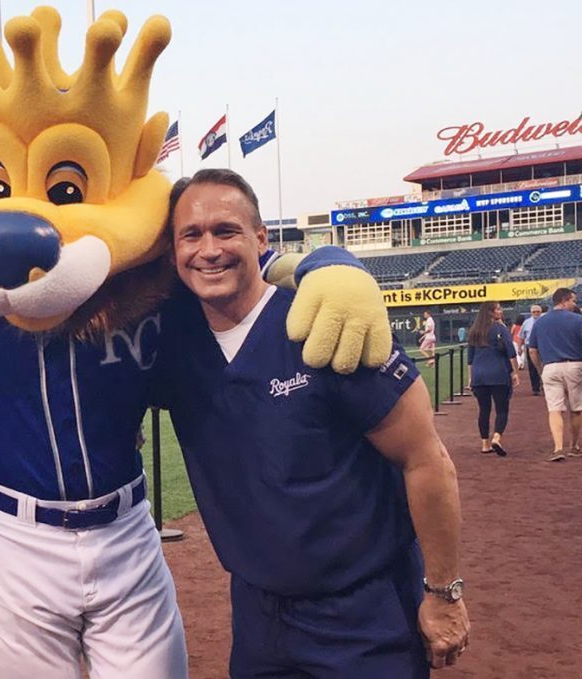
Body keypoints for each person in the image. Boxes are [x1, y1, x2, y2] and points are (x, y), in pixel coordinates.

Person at [156, 169, 469, 678]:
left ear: (262, 239)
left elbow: (427, 461)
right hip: (259, 618)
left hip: (362, 614)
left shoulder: (328, 319)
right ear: (172, 253)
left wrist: (444, 594)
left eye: (226, 231)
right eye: (190, 235)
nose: (208, 249)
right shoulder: (175, 342)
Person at [527, 288, 582, 462]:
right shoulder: (578, 320)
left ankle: (558, 448)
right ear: (564, 300)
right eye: (573, 301)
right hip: (574, 365)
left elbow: (532, 350)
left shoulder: (540, 322)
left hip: (550, 367)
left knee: (554, 409)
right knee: (577, 409)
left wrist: (540, 369)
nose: (575, 304)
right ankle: (573, 446)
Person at [466, 302, 518, 456]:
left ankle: (484, 444)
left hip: (479, 375)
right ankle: (496, 437)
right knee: (502, 409)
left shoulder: (474, 331)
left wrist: (470, 378)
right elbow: (511, 352)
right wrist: (515, 372)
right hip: (498, 373)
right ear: (490, 312)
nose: (501, 311)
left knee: (484, 410)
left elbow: (470, 358)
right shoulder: (500, 329)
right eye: (498, 309)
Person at [519, 304, 544, 394]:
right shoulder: (526, 322)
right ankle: (535, 388)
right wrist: (519, 348)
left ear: (541, 312)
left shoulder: (545, 321)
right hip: (530, 347)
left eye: (538, 312)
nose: (536, 313)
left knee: (544, 366)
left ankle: (544, 385)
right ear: (531, 313)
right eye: (534, 312)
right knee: (532, 368)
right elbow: (521, 336)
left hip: (543, 346)